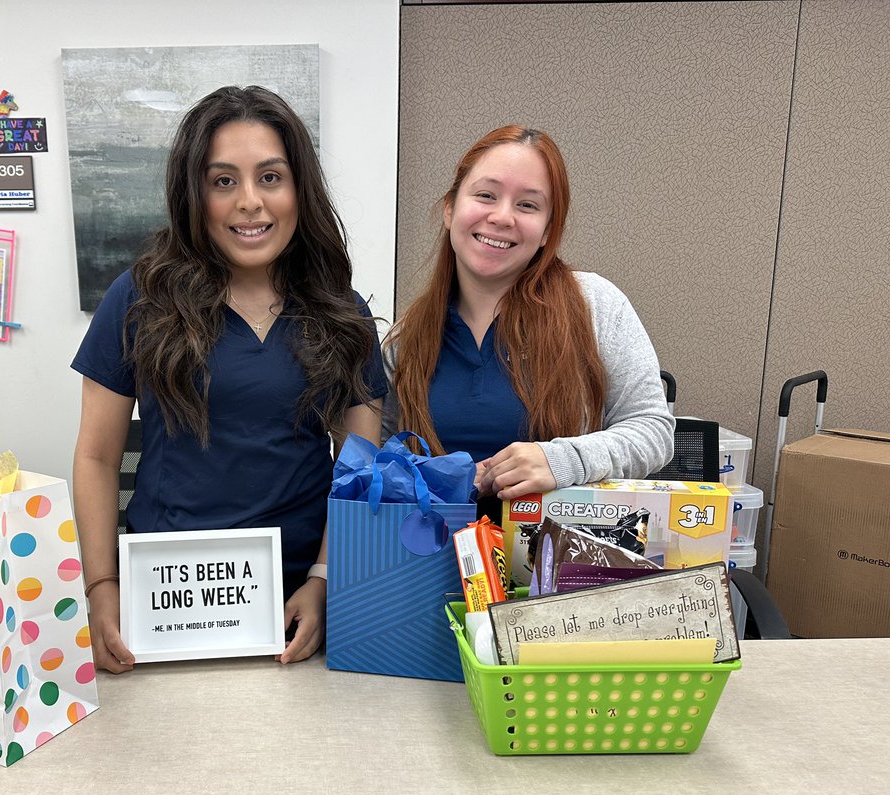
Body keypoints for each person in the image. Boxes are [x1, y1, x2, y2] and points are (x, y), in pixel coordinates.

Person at [71, 85, 386, 673]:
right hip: (165, 607)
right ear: (194, 193)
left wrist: (323, 579)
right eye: (223, 181)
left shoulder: (340, 309)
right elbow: (94, 457)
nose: (249, 202)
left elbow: (360, 463)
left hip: (300, 611)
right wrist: (101, 587)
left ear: (299, 188)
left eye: (270, 177)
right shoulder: (138, 297)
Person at [383, 126, 673, 502]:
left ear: (548, 228)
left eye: (528, 205)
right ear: (450, 208)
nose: (502, 217)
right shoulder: (407, 337)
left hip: (557, 555)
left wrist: (562, 460)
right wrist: (444, 478)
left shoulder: (595, 305)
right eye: (486, 195)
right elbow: (381, 460)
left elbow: (653, 431)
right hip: (428, 557)